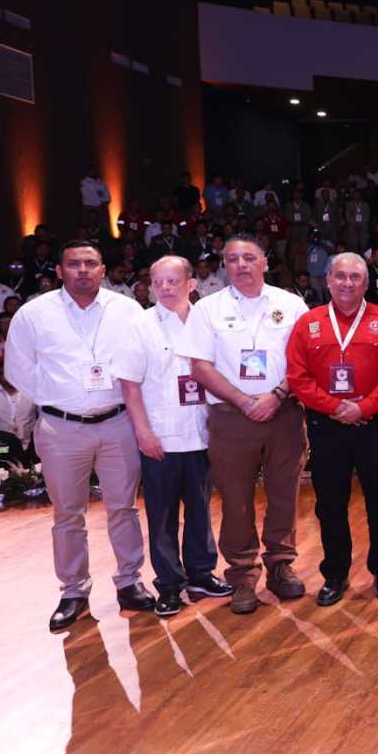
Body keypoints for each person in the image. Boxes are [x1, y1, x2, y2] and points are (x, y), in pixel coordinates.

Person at [4, 241, 155, 630]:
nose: (83, 270)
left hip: (117, 422)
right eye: (74, 264)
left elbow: (145, 360)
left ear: (103, 270)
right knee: (67, 514)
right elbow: (18, 369)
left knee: (124, 508)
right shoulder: (34, 314)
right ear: (59, 271)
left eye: (90, 263)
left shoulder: (127, 310)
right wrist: (61, 397)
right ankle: (73, 591)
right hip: (61, 428)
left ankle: (129, 581)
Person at [179, 236, 310, 615]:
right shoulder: (207, 308)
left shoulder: (291, 304)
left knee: (284, 493)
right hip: (230, 417)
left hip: (284, 413)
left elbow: (304, 362)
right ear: (225, 265)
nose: (241, 265)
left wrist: (276, 396)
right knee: (235, 500)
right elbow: (199, 366)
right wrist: (244, 400)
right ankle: (242, 575)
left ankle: (281, 563)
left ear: (265, 262)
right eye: (232, 259)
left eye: (249, 258)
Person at [114, 256, 231, 618]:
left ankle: (201, 573)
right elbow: (129, 385)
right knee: (162, 515)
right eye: (158, 282)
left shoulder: (208, 321)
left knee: (200, 509)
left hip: (202, 432)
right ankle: (168, 584)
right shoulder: (140, 324)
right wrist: (143, 432)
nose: (164, 288)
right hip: (160, 436)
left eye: (173, 281)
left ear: (191, 284)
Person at [286, 254, 378, 606]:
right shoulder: (308, 323)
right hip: (326, 426)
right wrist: (335, 407)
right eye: (340, 276)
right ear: (328, 280)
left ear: (366, 283)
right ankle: (335, 573)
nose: (348, 283)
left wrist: (363, 408)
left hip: (373, 424)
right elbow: (297, 377)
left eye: (355, 277)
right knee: (330, 504)